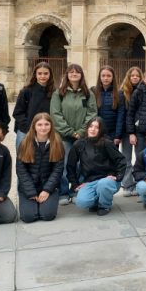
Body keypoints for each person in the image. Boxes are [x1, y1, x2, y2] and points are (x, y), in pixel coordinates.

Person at [50, 63, 97, 203]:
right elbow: (55, 114)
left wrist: (82, 131)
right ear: (67, 75)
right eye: (71, 72)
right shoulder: (59, 93)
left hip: (83, 136)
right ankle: (64, 192)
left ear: (81, 75)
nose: (74, 74)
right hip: (64, 136)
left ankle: (76, 189)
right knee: (64, 164)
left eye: (77, 72)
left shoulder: (88, 93)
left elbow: (92, 113)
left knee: (82, 164)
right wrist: (70, 131)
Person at [67, 116, 127, 215]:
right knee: (82, 202)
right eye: (91, 126)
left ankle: (105, 205)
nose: (93, 129)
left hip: (107, 180)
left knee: (103, 184)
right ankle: (97, 201)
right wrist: (75, 184)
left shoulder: (107, 143)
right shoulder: (79, 144)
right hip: (90, 181)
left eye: (97, 127)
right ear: (87, 128)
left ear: (101, 130)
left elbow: (121, 160)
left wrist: (117, 177)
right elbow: (70, 165)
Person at [16, 112, 65, 223]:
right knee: (28, 217)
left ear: (51, 126)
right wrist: (31, 192)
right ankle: (32, 204)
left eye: (46, 124)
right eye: (40, 124)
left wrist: (47, 190)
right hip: (28, 188)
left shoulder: (57, 143)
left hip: (49, 188)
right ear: (34, 126)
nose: (43, 127)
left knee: (47, 215)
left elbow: (58, 170)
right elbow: (21, 170)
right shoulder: (25, 143)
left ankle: (45, 203)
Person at [12, 61, 55, 150]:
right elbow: (18, 113)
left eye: (45, 73)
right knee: (23, 157)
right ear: (35, 74)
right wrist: (28, 127)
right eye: (40, 73)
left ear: (50, 75)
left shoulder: (55, 93)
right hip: (26, 130)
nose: (42, 76)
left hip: (46, 130)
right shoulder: (26, 91)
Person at [119, 66, 143, 187]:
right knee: (126, 158)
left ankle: (139, 183)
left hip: (139, 130)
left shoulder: (143, 91)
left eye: (137, 76)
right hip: (125, 130)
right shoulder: (122, 92)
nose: (135, 77)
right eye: (132, 75)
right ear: (128, 77)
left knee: (139, 158)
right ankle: (127, 184)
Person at [92, 65, 125, 149]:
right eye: (103, 76)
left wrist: (118, 135)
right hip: (96, 131)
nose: (105, 78)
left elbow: (120, 115)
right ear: (99, 77)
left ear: (113, 77)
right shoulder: (93, 91)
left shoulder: (119, 93)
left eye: (108, 76)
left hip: (112, 133)